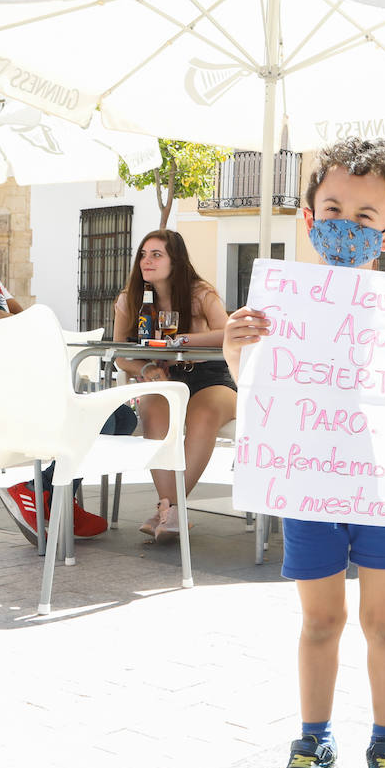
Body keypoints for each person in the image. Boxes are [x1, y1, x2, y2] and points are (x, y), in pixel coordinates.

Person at [222, 138, 385, 768]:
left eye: (364, 215)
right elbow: (260, 394)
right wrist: (239, 348)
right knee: (319, 621)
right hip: (308, 482)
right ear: (307, 217)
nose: (345, 225)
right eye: (332, 209)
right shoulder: (280, 307)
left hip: (384, 483)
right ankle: (313, 743)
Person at [0, 183, 132, 543]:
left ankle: (48, 493)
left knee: (122, 415)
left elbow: (20, 316)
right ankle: (43, 493)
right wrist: (20, 324)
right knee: (104, 415)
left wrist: (20, 322)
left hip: (10, 389)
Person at [112, 229, 236, 544]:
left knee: (203, 414)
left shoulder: (199, 293)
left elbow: (227, 333)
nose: (146, 261)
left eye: (156, 255)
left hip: (210, 376)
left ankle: (169, 507)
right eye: (143, 254)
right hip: (165, 377)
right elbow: (119, 355)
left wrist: (182, 339)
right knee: (153, 409)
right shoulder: (130, 300)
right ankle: (172, 510)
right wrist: (147, 368)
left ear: (175, 261)